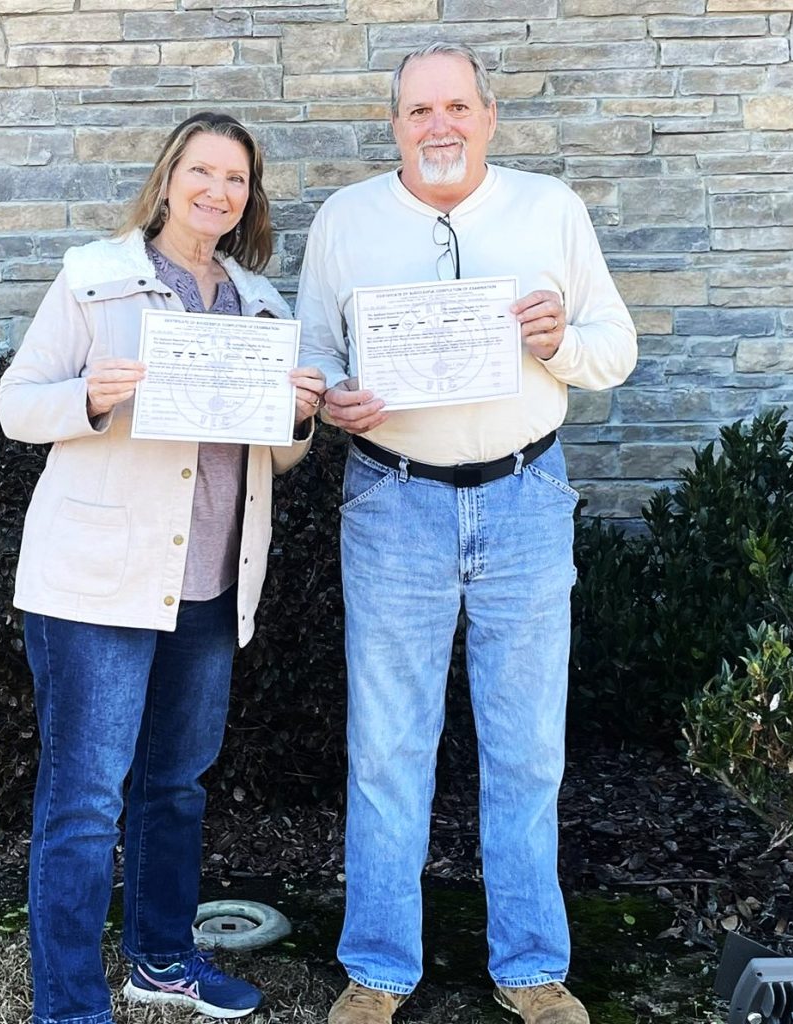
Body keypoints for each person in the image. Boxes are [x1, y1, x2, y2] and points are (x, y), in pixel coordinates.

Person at [296, 43, 637, 1024]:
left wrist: (557, 342)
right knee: (387, 747)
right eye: (416, 111)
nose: (437, 125)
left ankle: (531, 965)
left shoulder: (549, 211)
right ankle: (377, 970)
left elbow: (614, 348)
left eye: (455, 106)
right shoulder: (348, 221)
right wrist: (332, 402)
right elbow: (316, 351)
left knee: (527, 747)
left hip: (525, 499)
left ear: (490, 115)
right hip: (392, 500)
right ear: (393, 124)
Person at [0, 111, 325, 1024]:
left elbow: (275, 457)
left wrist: (299, 417)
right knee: (85, 804)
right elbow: (17, 405)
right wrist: (89, 397)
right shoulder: (96, 280)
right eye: (203, 171)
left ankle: (162, 961)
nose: (219, 192)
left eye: (237, 179)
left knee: (176, 788)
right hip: (99, 581)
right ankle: (68, 1005)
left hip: (212, 583)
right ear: (170, 175)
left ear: (250, 197)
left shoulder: (262, 304)